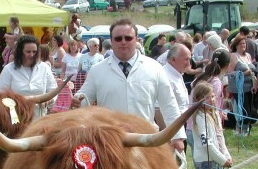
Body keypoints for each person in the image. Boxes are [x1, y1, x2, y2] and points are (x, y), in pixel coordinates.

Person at [71, 18, 186, 152]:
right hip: (110, 145)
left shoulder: (155, 68)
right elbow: (84, 97)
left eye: (128, 38)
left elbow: (169, 104)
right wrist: (78, 101)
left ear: (136, 39)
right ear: (111, 41)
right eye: (118, 38)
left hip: (147, 143)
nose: (123, 42)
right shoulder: (97, 70)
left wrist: (178, 137)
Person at [188, 48, 232, 169]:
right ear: (226, 66)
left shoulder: (199, 79)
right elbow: (214, 109)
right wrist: (223, 156)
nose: (212, 98)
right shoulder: (215, 83)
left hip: (192, 130)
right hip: (205, 131)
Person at [0, 34, 57, 118]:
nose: (31, 55)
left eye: (34, 52)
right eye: (28, 52)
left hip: (39, 120)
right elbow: (0, 94)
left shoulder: (45, 68)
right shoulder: (8, 69)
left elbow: (53, 90)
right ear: (20, 51)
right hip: (16, 120)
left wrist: (49, 100)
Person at [227, 34, 258, 136]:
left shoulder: (248, 56)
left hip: (250, 86)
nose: (242, 45)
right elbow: (230, 72)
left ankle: (245, 129)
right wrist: (244, 74)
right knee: (244, 109)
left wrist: (254, 84)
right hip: (239, 88)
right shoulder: (233, 56)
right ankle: (242, 130)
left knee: (249, 108)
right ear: (236, 45)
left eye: (244, 43)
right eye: (240, 44)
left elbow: (253, 72)